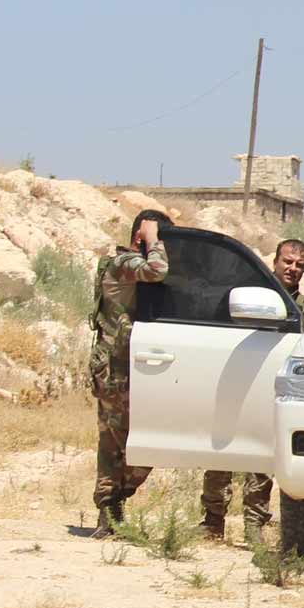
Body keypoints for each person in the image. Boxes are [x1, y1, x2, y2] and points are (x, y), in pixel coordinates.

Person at [199, 238, 304, 541]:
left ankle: (254, 525)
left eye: (300, 265)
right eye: (287, 262)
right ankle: (212, 521)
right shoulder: (252, 294)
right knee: (220, 453)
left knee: (262, 459)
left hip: (269, 387)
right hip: (236, 382)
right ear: (274, 261)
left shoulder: (302, 308)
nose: (292, 269)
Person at [91, 210, 170, 537]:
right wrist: (152, 239)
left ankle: (119, 500)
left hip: (138, 365)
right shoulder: (122, 263)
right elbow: (158, 269)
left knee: (146, 441)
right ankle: (108, 510)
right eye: (159, 238)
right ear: (141, 236)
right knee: (114, 441)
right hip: (115, 367)